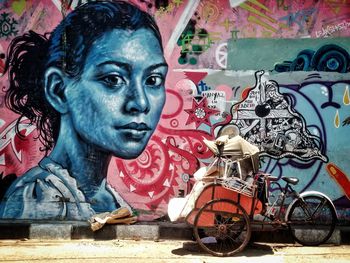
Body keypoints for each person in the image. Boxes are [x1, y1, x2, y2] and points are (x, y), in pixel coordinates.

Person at [0, 1, 168, 220]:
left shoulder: (105, 198)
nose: (141, 102)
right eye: (113, 79)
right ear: (59, 90)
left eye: (153, 79)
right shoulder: (39, 200)